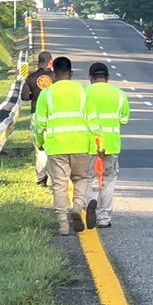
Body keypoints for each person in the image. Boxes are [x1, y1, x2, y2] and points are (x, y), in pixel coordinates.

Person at [33, 56, 97, 235]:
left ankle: (63, 225)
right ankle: (77, 207)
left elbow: (39, 123)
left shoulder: (47, 93)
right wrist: (97, 143)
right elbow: (93, 120)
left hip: (56, 146)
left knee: (59, 185)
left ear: (53, 74)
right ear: (72, 73)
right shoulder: (84, 91)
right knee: (82, 179)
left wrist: (40, 143)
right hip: (81, 144)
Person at [84, 62, 131, 228]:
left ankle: (89, 202)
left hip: (89, 144)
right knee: (109, 180)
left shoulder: (84, 93)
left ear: (90, 78)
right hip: (111, 144)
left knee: (88, 178)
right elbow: (124, 119)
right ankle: (104, 218)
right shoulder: (119, 94)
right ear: (108, 78)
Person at [21, 50, 56, 187]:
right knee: (53, 146)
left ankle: (41, 179)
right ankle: (55, 176)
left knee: (39, 148)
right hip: (53, 115)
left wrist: (35, 97)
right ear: (51, 62)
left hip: (36, 114)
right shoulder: (55, 77)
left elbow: (24, 97)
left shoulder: (31, 78)